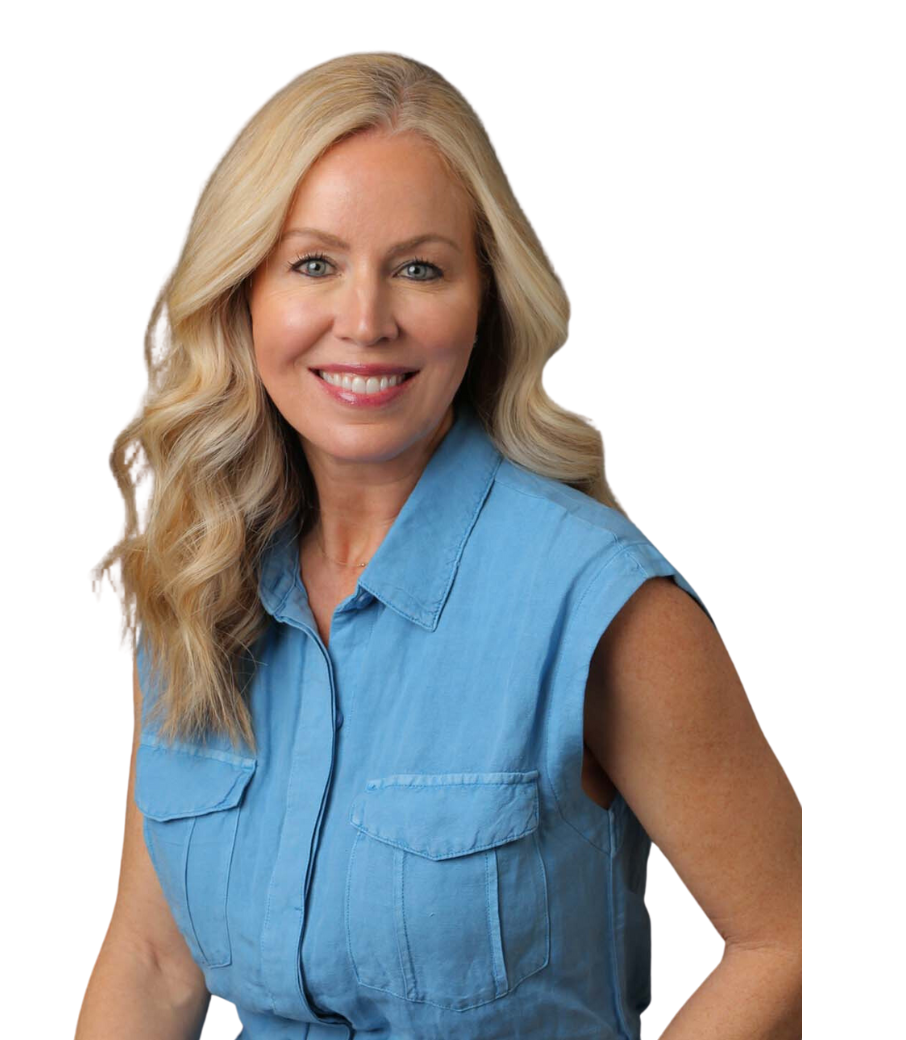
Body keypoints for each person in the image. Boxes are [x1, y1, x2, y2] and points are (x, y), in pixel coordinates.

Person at [76, 52, 801, 1040]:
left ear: (484, 300)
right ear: (244, 293)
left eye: (419, 268)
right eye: (314, 264)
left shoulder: (600, 607)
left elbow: (786, 934)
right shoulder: (198, 584)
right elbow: (153, 961)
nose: (365, 322)